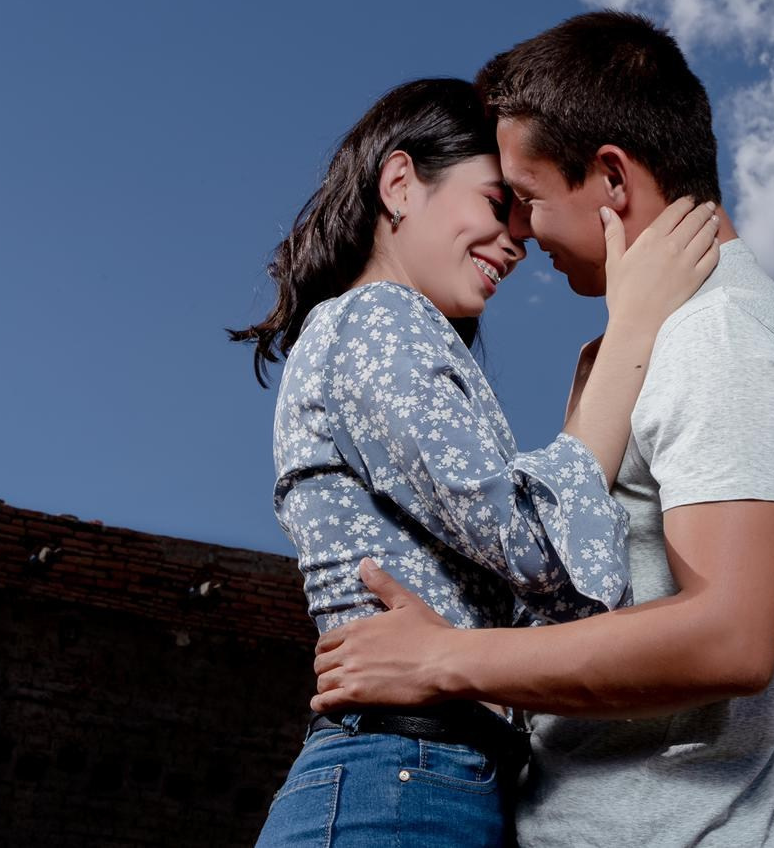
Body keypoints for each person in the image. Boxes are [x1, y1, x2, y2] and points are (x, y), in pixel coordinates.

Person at [311, 12, 774, 847]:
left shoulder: (719, 333)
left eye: (526, 200)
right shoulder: (653, 340)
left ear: (611, 181)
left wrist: (443, 659)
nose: (519, 233)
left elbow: (731, 635)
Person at [229, 78, 720, 846]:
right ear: (399, 183)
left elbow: (551, 597)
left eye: (524, 227)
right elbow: (535, 549)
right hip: (399, 778)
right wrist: (635, 332)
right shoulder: (376, 321)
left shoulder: (396, 339)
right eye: (497, 205)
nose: (517, 243)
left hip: (430, 777)